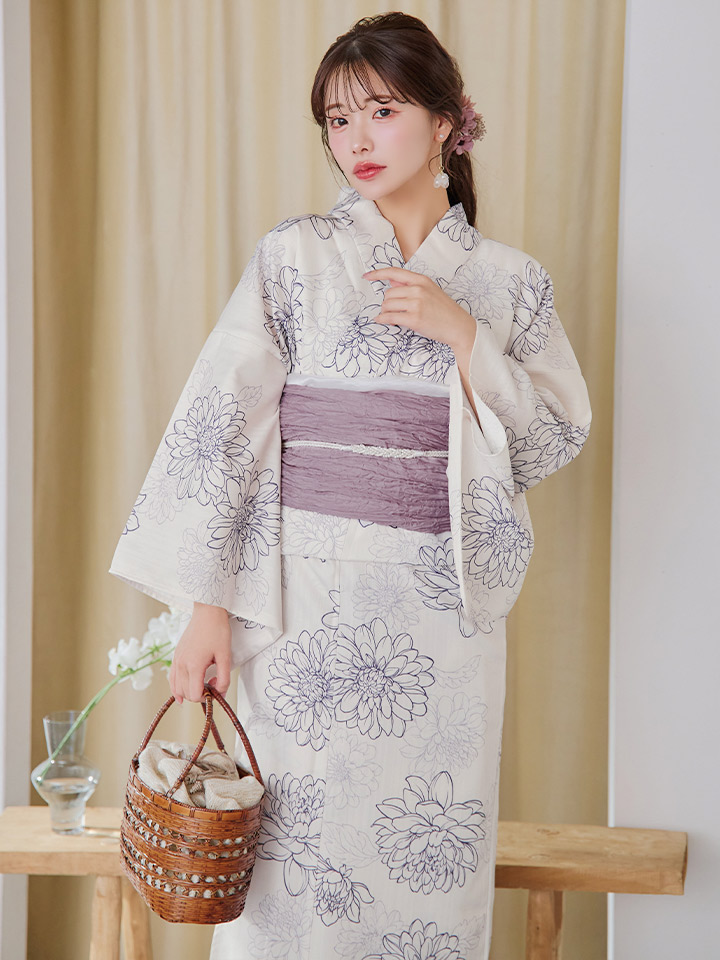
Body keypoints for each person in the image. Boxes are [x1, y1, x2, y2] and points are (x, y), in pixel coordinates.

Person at [109, 11, 591, 959]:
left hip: (439, 622)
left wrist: (465, 336)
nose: (357, 139)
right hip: (302, 611)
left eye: (382, 110)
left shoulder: (510, 284)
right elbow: (223, 431)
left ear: (447, 120)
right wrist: (207, 608)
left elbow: (547, 441)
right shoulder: (294, 258)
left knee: (426, 870)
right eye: (337, 119)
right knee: (292, 884)